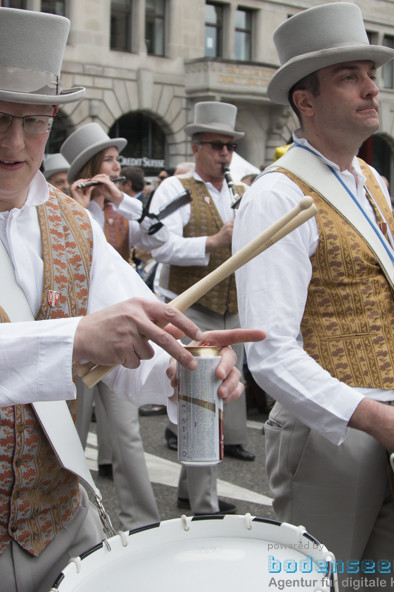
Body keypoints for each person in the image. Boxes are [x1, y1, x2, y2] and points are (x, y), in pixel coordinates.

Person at [0, 6, 255, 592]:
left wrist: (182, 366)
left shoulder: (72, 223)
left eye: (35, 122)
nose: (17, 143)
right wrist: (76, 339)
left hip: (62, 535)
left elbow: (132, 349)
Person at [234, 2, 394, 583]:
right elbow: (269, 353)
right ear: (306, 101)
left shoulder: (370, 179)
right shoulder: (276, 197)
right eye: (349, 77)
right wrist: (373, 417)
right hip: (332, 431)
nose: (371, 88)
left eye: (370, 74)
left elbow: (380, 282)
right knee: (320, 581)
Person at [146, 101, 254, 516]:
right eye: (216, 146)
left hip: (231, 310)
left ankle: (192, 493)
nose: (224, 154)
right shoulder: (175, 189)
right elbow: (158, 245)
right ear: (196, 148)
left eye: (228, 146)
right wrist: (213, 242)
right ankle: (204, 505)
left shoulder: (240, 191)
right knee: (202, 408)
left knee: (212, 405)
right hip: (191, 310)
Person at [63, 122, 161, 530]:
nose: (118, 165)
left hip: (121, 336)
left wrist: (123, 198)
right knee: (71, 433)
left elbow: (156, 237)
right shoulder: (64, 209)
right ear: (90, 166)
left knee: (126, 433)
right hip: (77, 338)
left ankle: (142, 523)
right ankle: (73, 523)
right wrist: (77, 205)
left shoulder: (121, 211)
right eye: (110, 159)